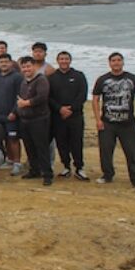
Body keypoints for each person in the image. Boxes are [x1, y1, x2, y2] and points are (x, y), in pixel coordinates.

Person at [92, 52, 135, 191]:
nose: (116, 63)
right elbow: (95, 99)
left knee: (132, 153)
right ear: (109, 63)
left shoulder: (132, 79)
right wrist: (98, 119)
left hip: (128, 123)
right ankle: (107, 175)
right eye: (113, 60)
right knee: (105, 151)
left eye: (118, 60)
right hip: (108, 123)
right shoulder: (102, 79)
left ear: (122, 62)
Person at [49, 51, 89, 180]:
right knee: (61, 143)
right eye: (61, 59)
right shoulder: (52, 77)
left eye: (66, 59)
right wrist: (60, 109)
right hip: (58, 116)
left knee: (77, 142)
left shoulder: (78, 76)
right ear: (57, 60)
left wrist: (71, 108)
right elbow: (49, 97)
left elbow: (83, 94)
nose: (64, 61)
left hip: (75, 115)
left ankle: (79, 168)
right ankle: (66, 166)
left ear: (70, 60)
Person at [16, 56, 53, 186]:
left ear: (34, 67)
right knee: (29, 147)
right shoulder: (23, 81)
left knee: (41, 147)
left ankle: (47, 174)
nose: (26, 69)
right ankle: (34, 170)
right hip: (25, 119)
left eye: (28, 66)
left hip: (39, 119)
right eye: (24, 67)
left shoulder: (41, 79)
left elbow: (42, 97)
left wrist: (27, 103)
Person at [0, 53, 24, 176]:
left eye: (6, 62)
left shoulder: (17, 77)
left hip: (11, 115)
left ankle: (17, 163)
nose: (4, 64)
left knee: (13, 139)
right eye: (1, 62)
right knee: (3, 139)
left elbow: (20, 96)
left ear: (11, 63)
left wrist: (14, 112)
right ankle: (9, 159)